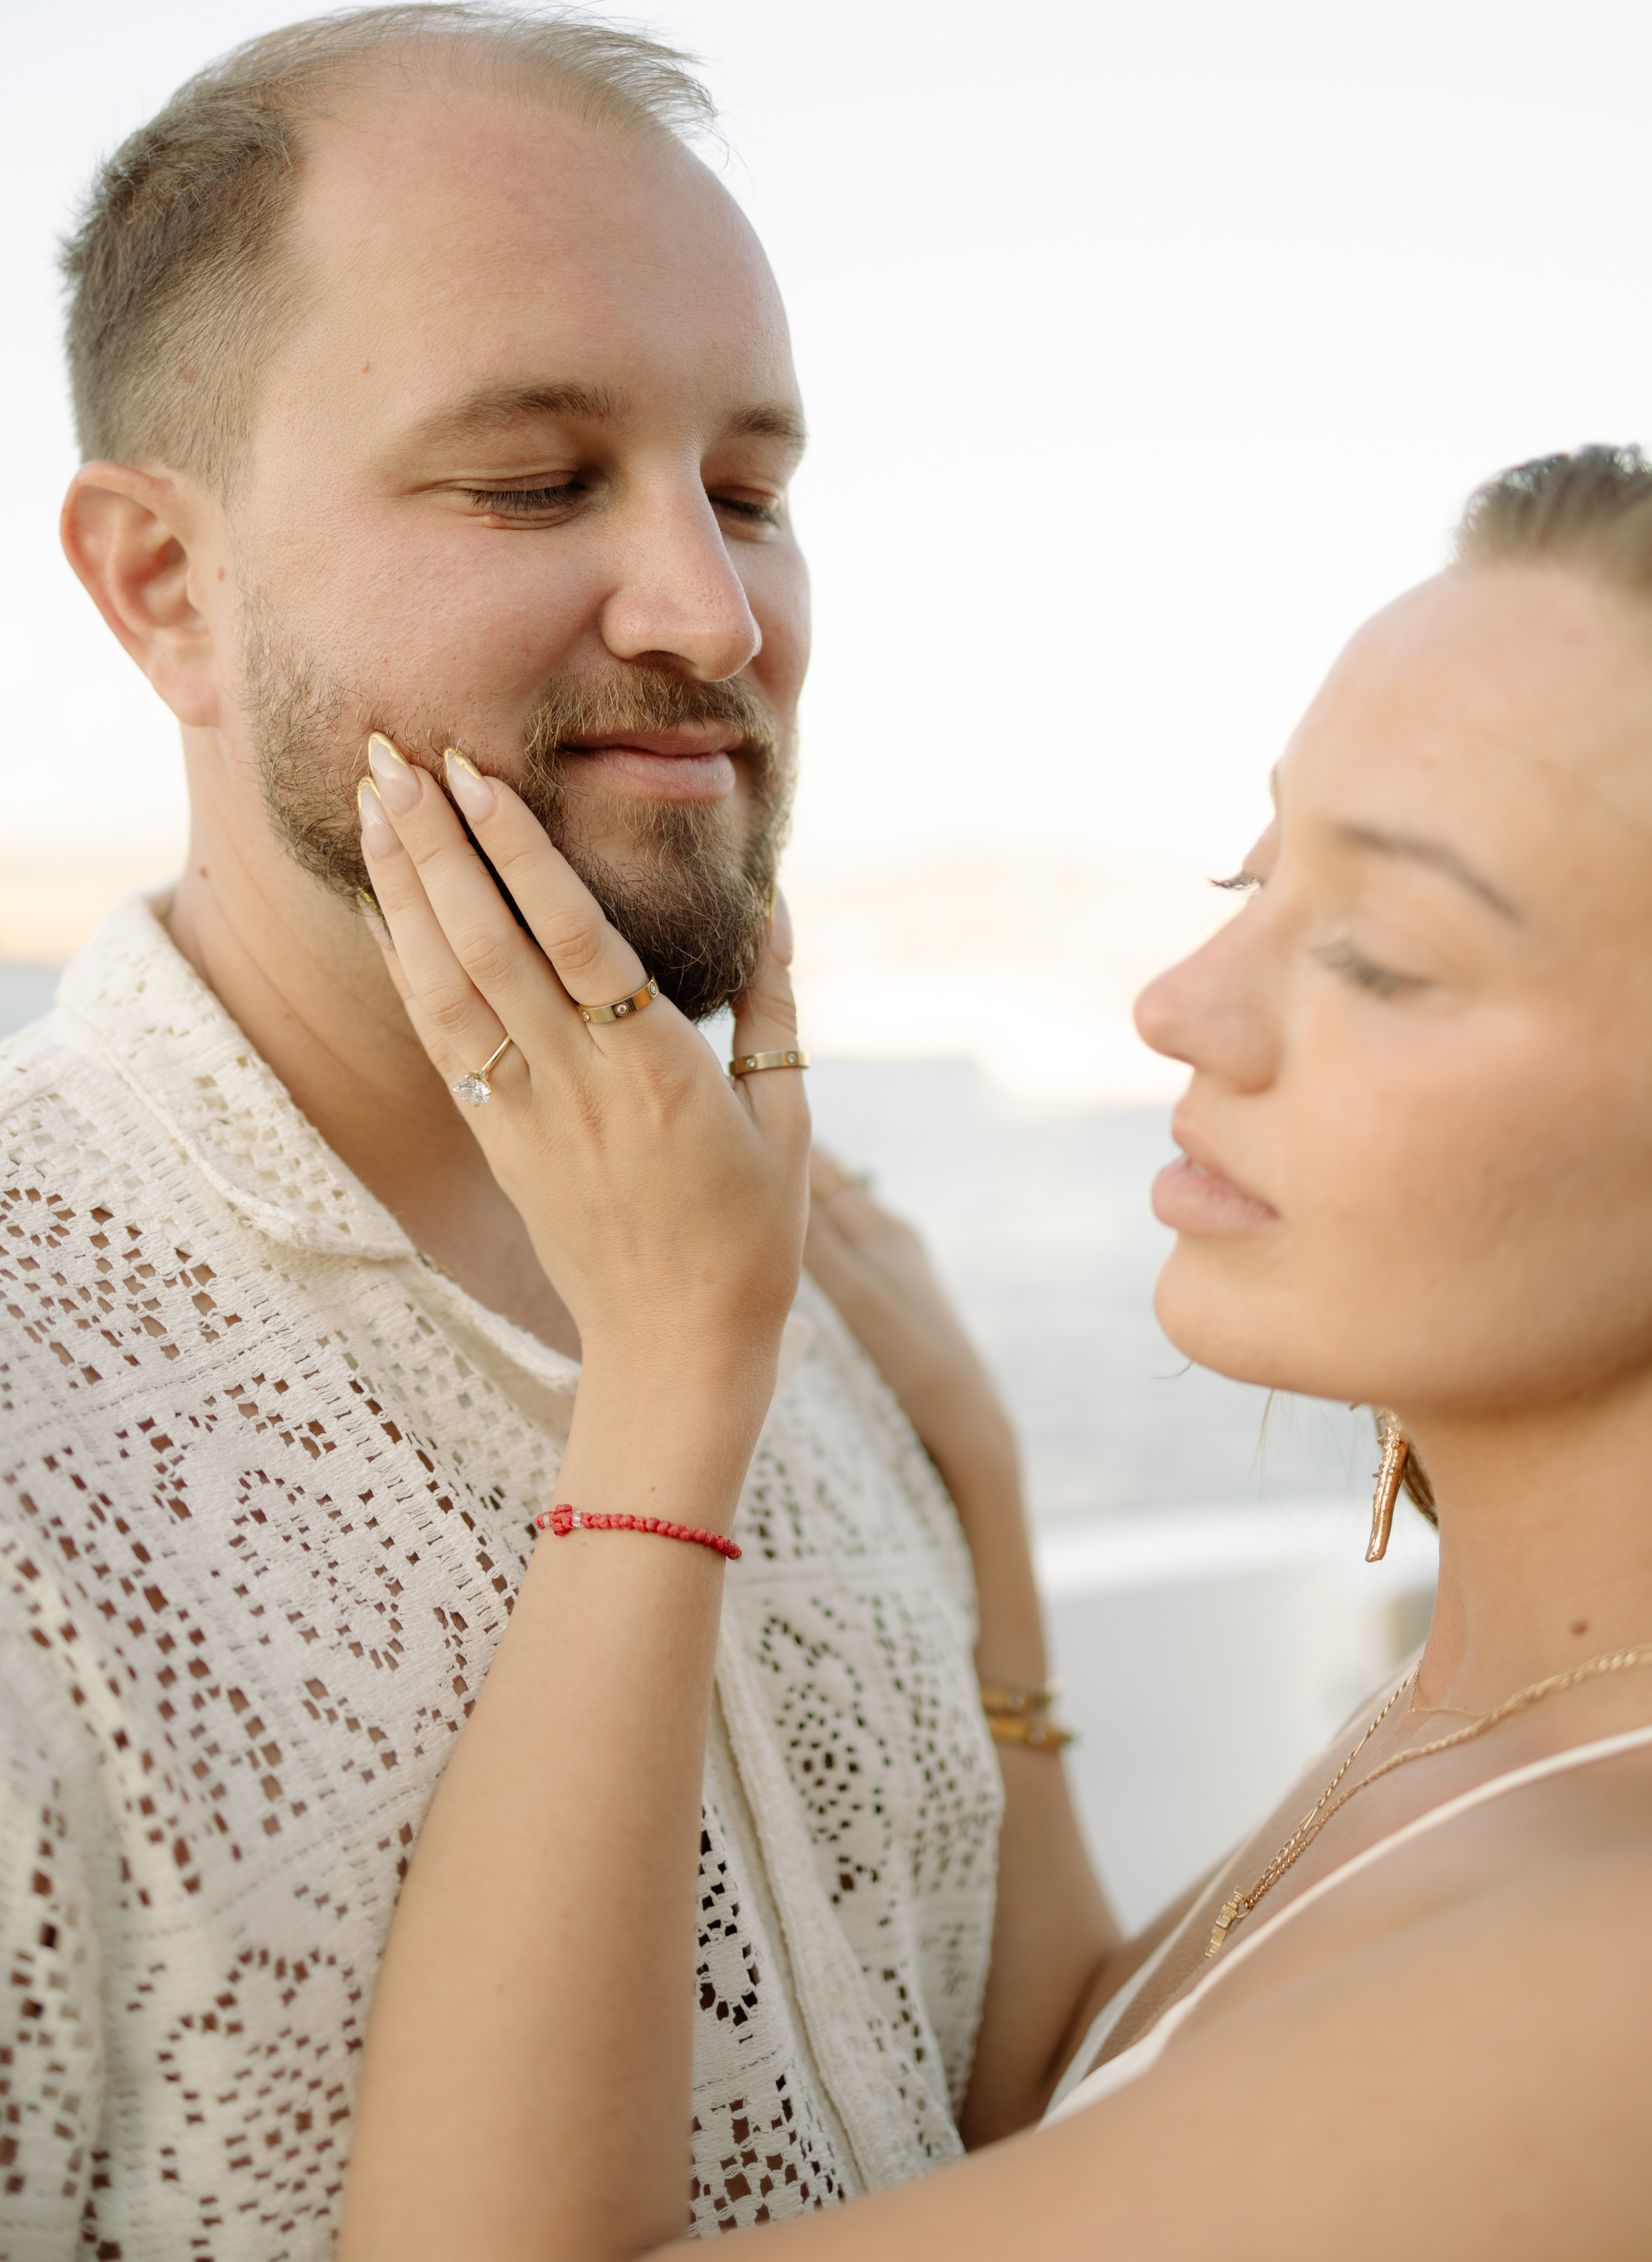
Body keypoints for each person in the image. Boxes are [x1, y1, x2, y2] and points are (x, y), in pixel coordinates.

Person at [0, 3, 1083, 2257]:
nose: (714, 613)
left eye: (750, 495)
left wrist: (979, 1498)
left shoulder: (817, 1298)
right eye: (531, 482)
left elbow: (1005, 2123)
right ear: (167, 589)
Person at [332, 444, 1652, 2259]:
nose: (1179, 1007)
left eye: (1378, 953)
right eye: (1250, 877)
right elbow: (1087, 2094)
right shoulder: (1496, 1708)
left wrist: (670, 1375)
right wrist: (986, 1488)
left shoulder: (1599, 1991)